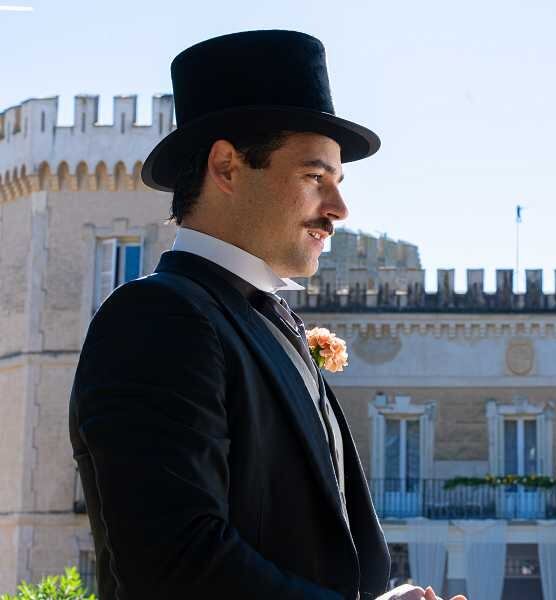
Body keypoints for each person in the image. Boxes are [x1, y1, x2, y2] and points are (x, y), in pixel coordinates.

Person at [69, 30, 462, 600]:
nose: (339, 209)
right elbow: (176, 565)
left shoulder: (258, 318)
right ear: (227, 166)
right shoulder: (156, 318)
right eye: (314, 177)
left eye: (338, 182)